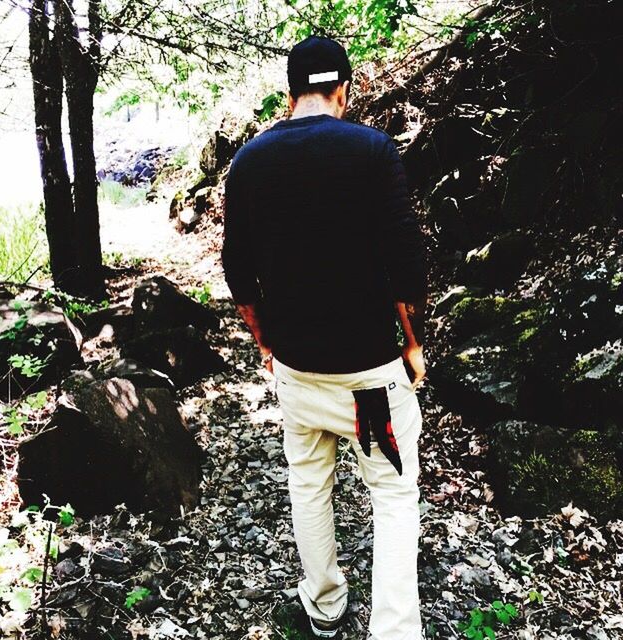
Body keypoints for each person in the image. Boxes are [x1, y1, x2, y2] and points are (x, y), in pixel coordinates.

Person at [222, 35, 427, 640]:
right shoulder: (371, 150)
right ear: (344, 89)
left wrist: (264, 342)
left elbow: (239, 273)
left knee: (309, 483)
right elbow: (405, 264)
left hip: (297, 369)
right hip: (367, 378)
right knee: (391, 496)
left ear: (290, 93)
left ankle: (324, 606)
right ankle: (393, 631)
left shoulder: (250, 161)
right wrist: (412, 343)